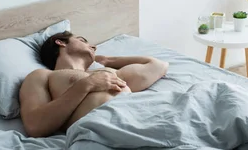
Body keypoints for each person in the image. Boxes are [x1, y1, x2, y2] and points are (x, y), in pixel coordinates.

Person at [19, 31, 169, 137]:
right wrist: (86, 85)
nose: (94, 46)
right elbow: (35, 125)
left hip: (141, 119)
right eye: (83, 40)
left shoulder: (109, 72)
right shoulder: (43, 76)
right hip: (103, 130)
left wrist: (110, 61)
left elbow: (159, 66)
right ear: (60, 42)